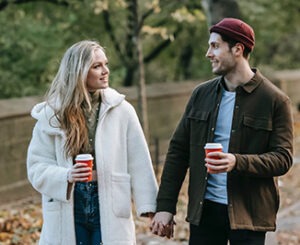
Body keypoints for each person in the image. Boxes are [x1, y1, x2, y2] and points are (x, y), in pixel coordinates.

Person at [151, 18, 294, 244]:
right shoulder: (201, 95)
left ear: (237, 49)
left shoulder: (274, 100)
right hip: (204, 212)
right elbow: (178, 151)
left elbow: (283, 159)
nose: (208, 53)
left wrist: (237, 162)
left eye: (215, 46)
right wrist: (165, 207)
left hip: (249, 215)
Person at [26, 40, 158, 245]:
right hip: (69, 204)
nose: (105, 71)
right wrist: (67, 175)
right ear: (78, 71)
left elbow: (139, 161)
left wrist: (151, 206)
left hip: (110, 202)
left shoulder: (122, 110)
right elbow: (36, 167)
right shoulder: (51, 114)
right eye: (97, 66)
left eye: (105, 64)